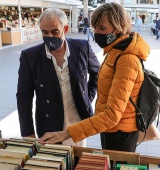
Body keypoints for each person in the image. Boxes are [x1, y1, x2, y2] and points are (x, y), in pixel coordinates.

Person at [39, 2, 150, 153]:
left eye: (102, 28)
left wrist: (67, 133)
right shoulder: (114, 52)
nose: (97, 32)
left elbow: (112, 115)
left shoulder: (126, 60)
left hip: (121, 134)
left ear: (118, 28)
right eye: (95, 28)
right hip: (111, 130)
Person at [16, 8, 100, 147]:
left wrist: (86, 98)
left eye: (55, 31)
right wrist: (28, 133)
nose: (50, 36)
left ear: (65, 29)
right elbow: (24, 96)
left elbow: (97, 74)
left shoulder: (82, 48)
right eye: (45, 32)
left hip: (78, 124)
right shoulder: (30, 56)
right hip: (49, 125)